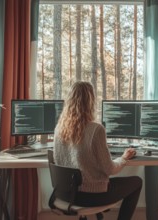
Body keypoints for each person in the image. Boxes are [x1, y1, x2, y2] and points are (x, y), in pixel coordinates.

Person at [53, 81, 142, 220]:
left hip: (67, 194)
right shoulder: (96, 129)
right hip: (92, 195)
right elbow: (110, 169)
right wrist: (123, 158)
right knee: (137, 182)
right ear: (91, 102)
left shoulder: (59, 129)